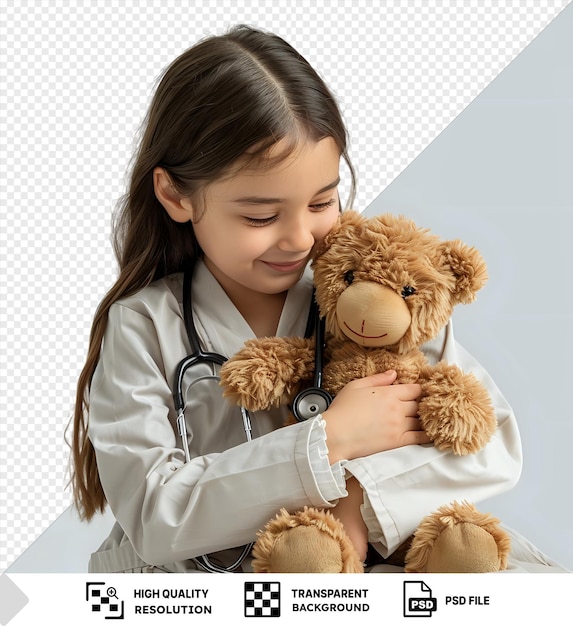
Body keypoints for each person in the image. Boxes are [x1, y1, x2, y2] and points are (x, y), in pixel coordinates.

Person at [70, 24, 566, 573]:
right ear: (175, 195)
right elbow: (155, 515)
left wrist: (359, 500)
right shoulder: (143, 325)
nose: (301, 239)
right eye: (260, 216)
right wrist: (327, 441)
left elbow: (489, 444)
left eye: (322, 202)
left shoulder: (380, 307)